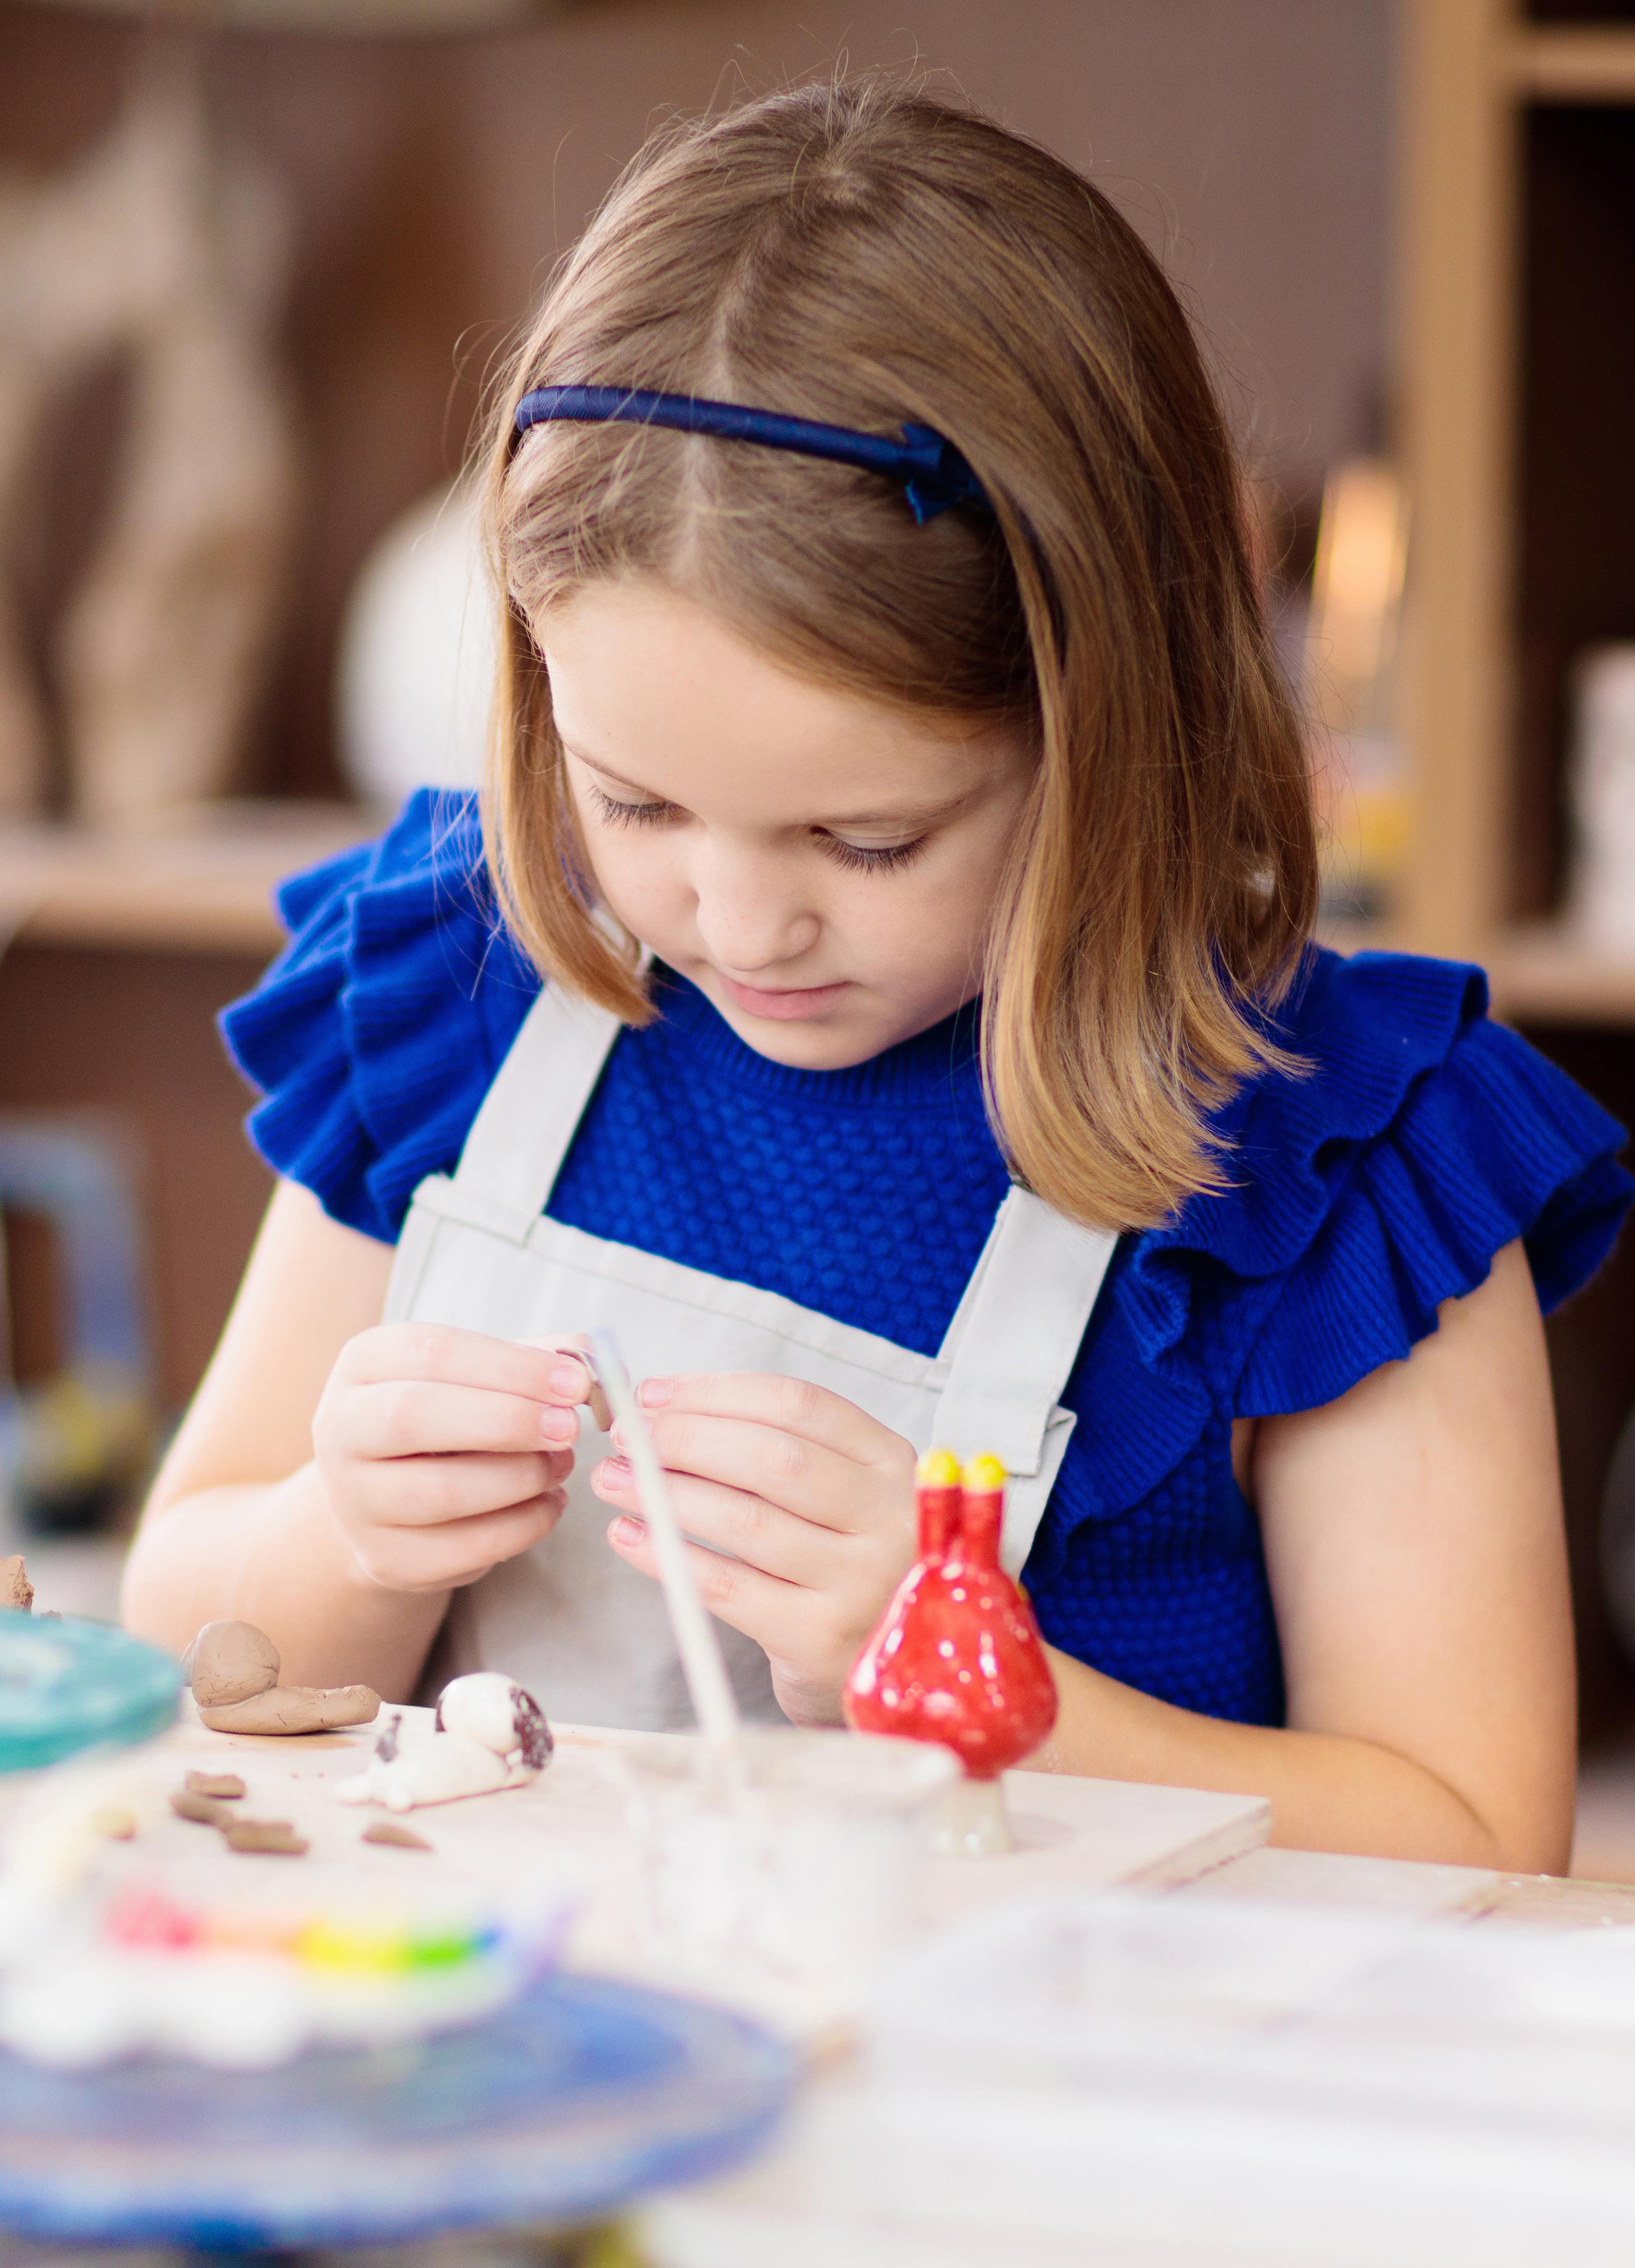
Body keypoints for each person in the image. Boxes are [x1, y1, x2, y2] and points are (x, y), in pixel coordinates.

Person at [122, 80, 1631, 1872]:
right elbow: (175, 1638)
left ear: (1102, 728)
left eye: (865, 843)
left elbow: (1470, 1838)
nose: (742, 923)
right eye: (638, 801)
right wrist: (336, 1539)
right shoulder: (461, 989)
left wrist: (978, 1684)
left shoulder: (1333, 1153)